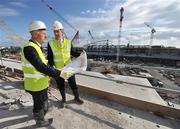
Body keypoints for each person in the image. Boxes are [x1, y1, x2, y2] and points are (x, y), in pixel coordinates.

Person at [21, 20, 63, 127]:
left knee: (44, 100)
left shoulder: (37, 47)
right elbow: (40, 66)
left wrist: (52, 71)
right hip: (35, 85)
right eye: (44, 33)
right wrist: (58, 73)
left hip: (41, 83)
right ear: (36, 33)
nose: (46, 35)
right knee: (38, 104)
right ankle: (40, 121)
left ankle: (43, 112)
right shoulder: (29, 48)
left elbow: (44, 64)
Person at [47, 20, 83, 108]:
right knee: (61, 85)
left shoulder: (68, 42)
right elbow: (50, 57)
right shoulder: (50, 43)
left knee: (73, 83)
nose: (56, 33)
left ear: (62, 31)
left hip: (69, 68)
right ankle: (63, 100)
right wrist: (51, 68)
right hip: (58, 69)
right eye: (54, 31)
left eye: (57, 31)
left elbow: (72, 52)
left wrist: (81, 54)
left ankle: (77, 97)